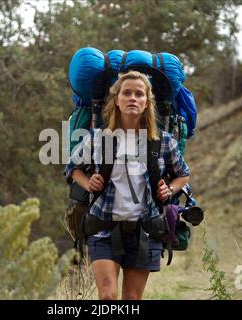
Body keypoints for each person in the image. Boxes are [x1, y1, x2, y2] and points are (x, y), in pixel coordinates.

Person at [65, 71, 190, 300]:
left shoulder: (163, 142)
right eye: (127, 93)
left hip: (145, 230)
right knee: (107, 298)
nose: (133, 98)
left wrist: (169, 189)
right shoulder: (97, 138)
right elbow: (72, 168)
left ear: (146, 102)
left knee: (132, 300)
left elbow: (183, 174)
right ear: (117, 100)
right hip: (103, 227)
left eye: (139, 94)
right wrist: (88, 183)